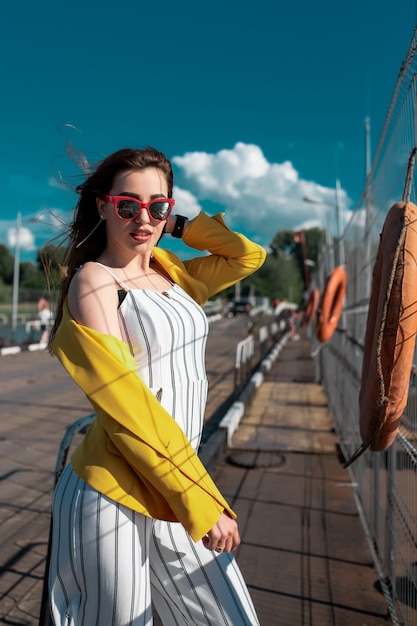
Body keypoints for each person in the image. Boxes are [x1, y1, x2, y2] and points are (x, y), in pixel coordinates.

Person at [47, 146, 266, 626]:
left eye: (157, 207)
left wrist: (184, 226)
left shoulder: (173, 273)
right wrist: (201, 500)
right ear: (104, 205)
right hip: (116, 490)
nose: (142, 218)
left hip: (177, 481)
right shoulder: (96, 283)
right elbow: (127, 405)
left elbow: (249, 256)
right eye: (128, 205)